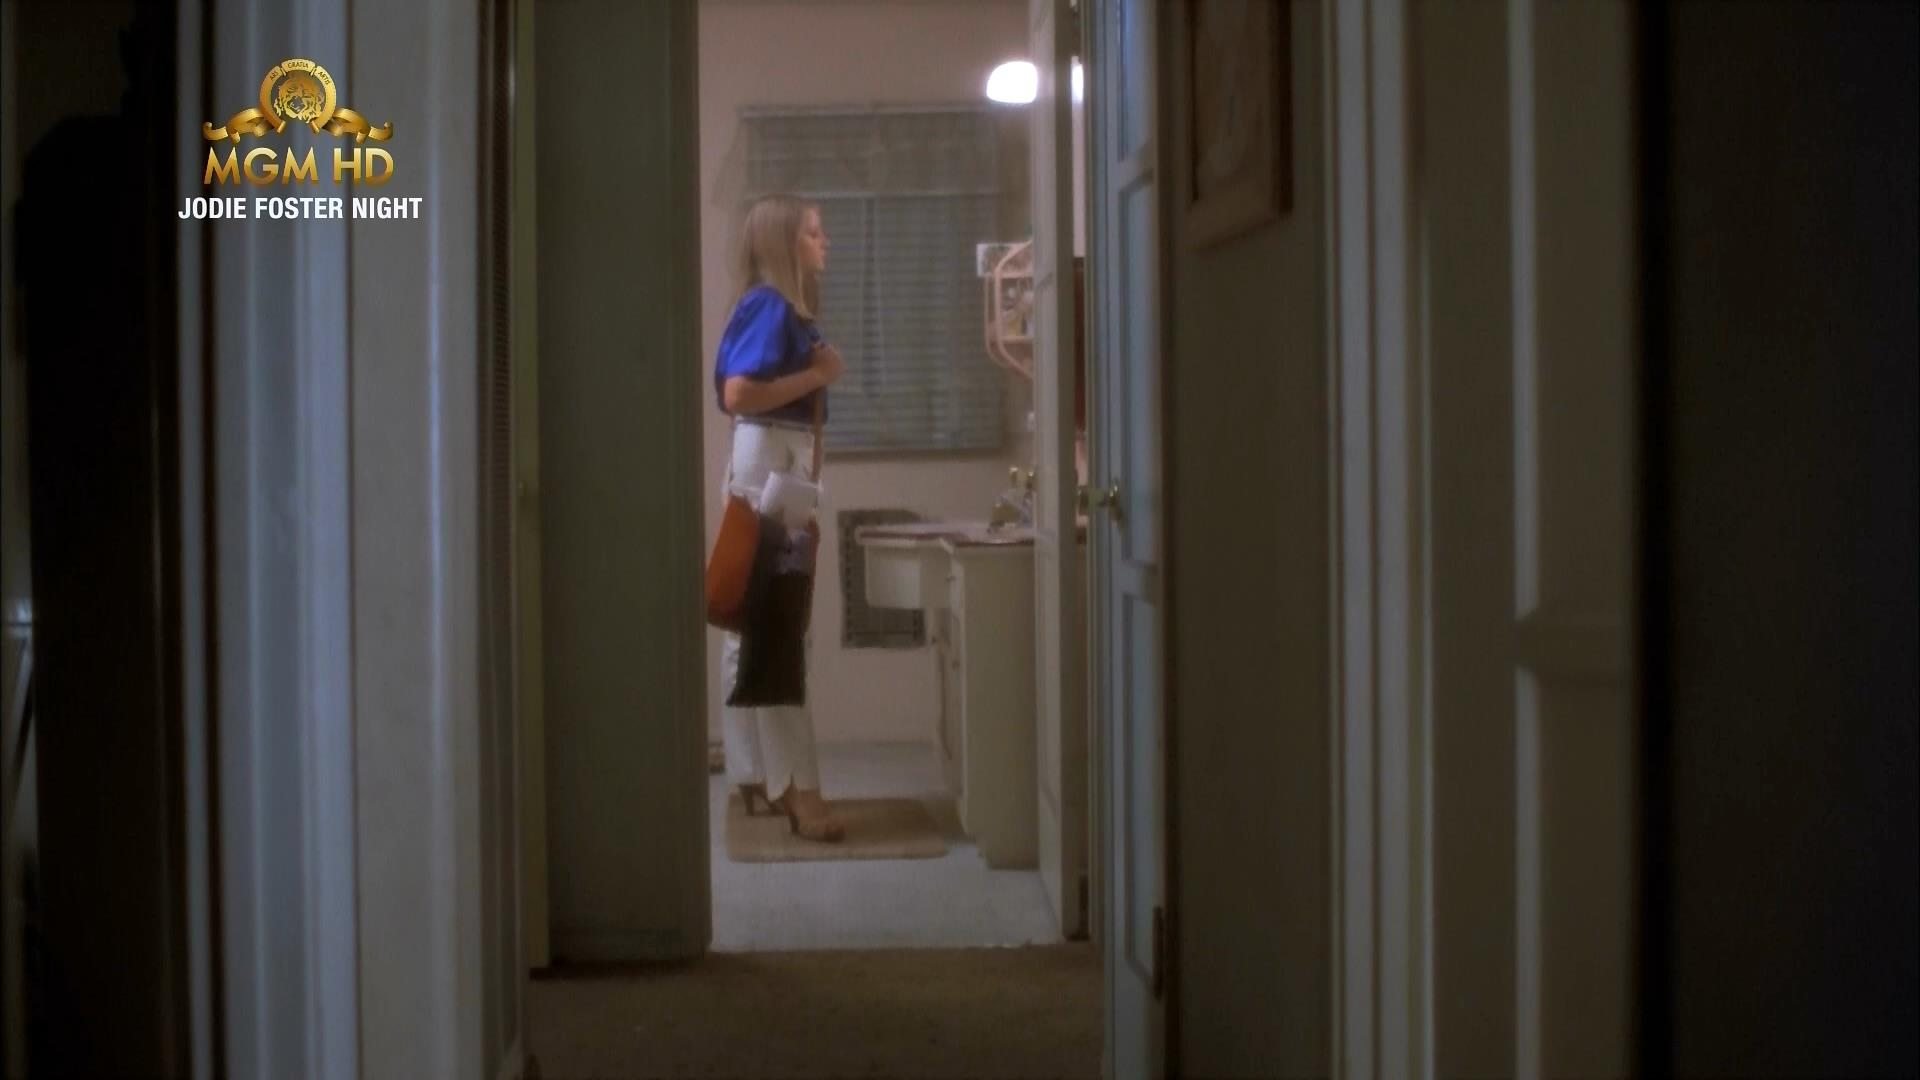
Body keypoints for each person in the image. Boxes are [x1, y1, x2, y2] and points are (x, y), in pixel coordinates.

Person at [713, 193, 847, 843]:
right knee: (777, 627)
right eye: (813, 233)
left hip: (770, 464)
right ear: (784, 242)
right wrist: (818, 374)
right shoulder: (770, 305)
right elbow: (738, 393)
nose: (825, 242)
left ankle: (753, 771)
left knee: (754, 623)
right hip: (773, 467)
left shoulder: (776, 309)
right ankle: (796, 785)